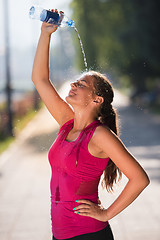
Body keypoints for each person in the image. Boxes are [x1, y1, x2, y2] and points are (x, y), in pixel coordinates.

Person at [31, 10, 150, 240]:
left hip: (87, 234)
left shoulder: (99, 135)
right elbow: (40, 80)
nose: (74, 83)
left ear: (97, 99)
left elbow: (140, 178)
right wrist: (45, 34)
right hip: (60, 234)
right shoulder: (67, 124)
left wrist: (106, 213)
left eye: (82, 83)